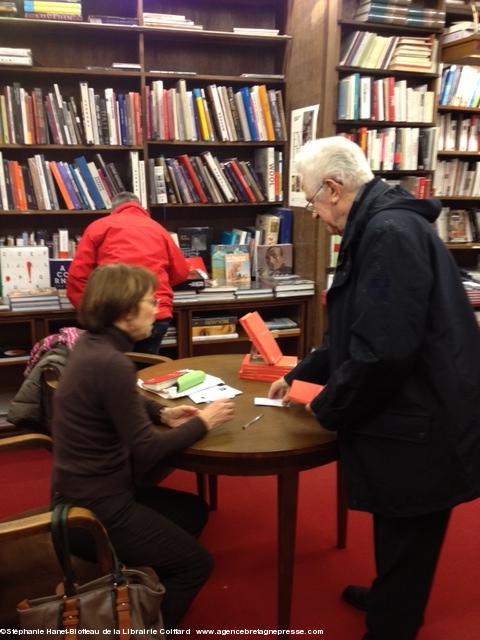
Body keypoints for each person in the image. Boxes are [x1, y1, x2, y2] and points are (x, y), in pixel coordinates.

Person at [268, 136, 480, 640]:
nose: (313, 213)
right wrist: (302, 375)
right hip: (421, 407)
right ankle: (392, 599)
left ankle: (393, 622)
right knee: (400, 526)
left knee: (409, 526)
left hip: (425, 415)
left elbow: (383, 349)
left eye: (309, 198)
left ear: (335, 189)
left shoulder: (387, 233)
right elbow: (358, 330)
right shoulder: (382, 225)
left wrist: (328, 404)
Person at [52, 264, 235, 629]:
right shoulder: (111, 363)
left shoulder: (92, 346)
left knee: (194, 512)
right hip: (96, 512)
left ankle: (144, 588)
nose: (158, 308)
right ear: (125, 312)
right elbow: (147, 451)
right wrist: (204, 421)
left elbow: (121, 399)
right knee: (197, 565)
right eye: (151, 302)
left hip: (75, 498)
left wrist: (160, 413)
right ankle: (146, 630)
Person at [66, 192, 190, 354]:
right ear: (141, 208)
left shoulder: (98, 227)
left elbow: (77, 277)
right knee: (148, 369)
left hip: (113, 315)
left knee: (112, 370)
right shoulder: (158, 229)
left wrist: (91, 311)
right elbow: (181, 272)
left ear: (113, 210)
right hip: (153, 313)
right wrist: (156, 286)